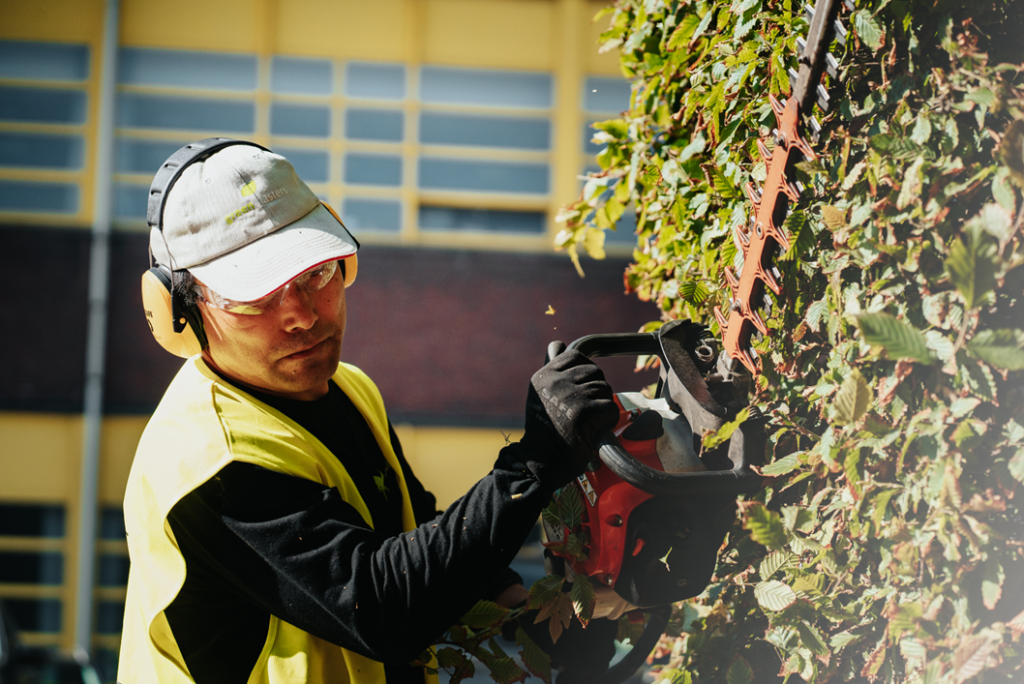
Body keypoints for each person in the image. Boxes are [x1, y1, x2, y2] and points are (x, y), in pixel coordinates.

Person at [118, 140, 622, 684]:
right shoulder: (206, 463)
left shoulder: (349, 387)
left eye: (313, 274)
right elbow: (379, 606)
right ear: (180, 310)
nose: (302, 315)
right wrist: (535, 463)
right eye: (255, 298)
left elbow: (411, 527)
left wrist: (521, 609)